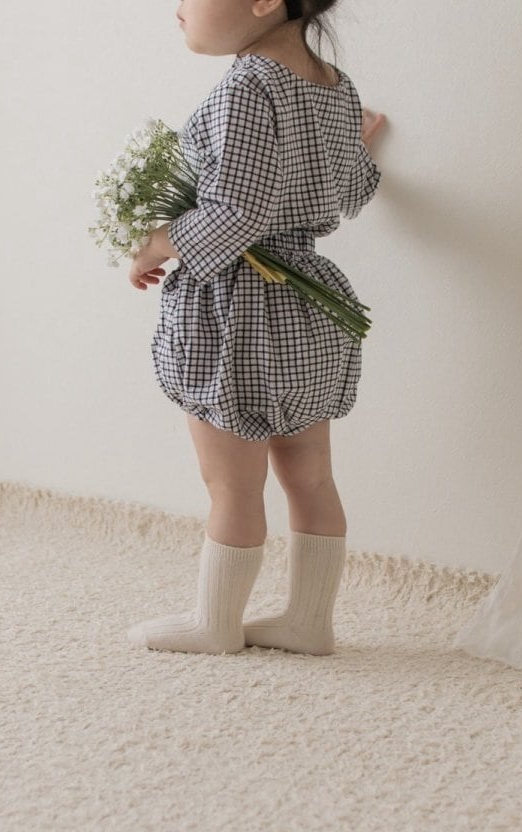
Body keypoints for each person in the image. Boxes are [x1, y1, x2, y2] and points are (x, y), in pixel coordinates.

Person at [126, 0, 386, 656]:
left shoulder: (247, 86)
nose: (178, 7)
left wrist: (157, 242)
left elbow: (236, 212)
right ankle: (309, 621)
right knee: (310, 475)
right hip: (308, 312)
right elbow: (353, 192)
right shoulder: (335, 86)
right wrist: (355, 143)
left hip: (242, 312)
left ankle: (214, 623)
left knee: (232, 483)